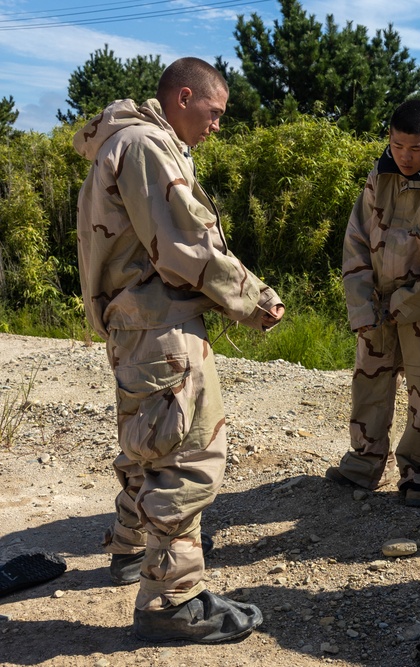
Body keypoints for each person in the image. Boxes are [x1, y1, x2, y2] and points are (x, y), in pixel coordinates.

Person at [75, 57, 284, 643]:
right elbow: (184, 247)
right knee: (189, 459)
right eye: (214, 112)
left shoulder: (125, 142)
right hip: (161, 325)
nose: (218, 125)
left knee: (148, 446)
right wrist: (254, 299)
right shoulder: (147, 147)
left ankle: (130, 550)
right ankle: (171, 600)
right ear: (184, 96)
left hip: (137, 325)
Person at [327, 99, 420, 508]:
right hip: (379, 303)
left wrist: (408, 302)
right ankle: (364, 463)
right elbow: (356, 240)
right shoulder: (379, 175)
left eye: (415, 148)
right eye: (397, 146)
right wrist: (361, 302)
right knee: (370, 384)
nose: (405, 156)